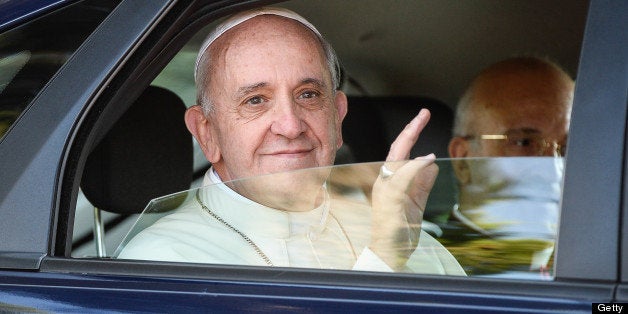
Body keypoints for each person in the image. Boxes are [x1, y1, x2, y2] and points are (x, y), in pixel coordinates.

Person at [117, 7, 465, 275]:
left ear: (338, 116)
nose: (290, 125)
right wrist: (384, 261)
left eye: (309, 95)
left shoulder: (405, 236)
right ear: (207, 132)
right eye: (255, 100)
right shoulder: (163, 263)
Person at [445, 56, 574, 275]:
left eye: (569, 147)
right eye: (523, 143)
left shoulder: (595, 261)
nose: (555, 172)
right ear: (463, 161)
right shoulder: (426, 267)